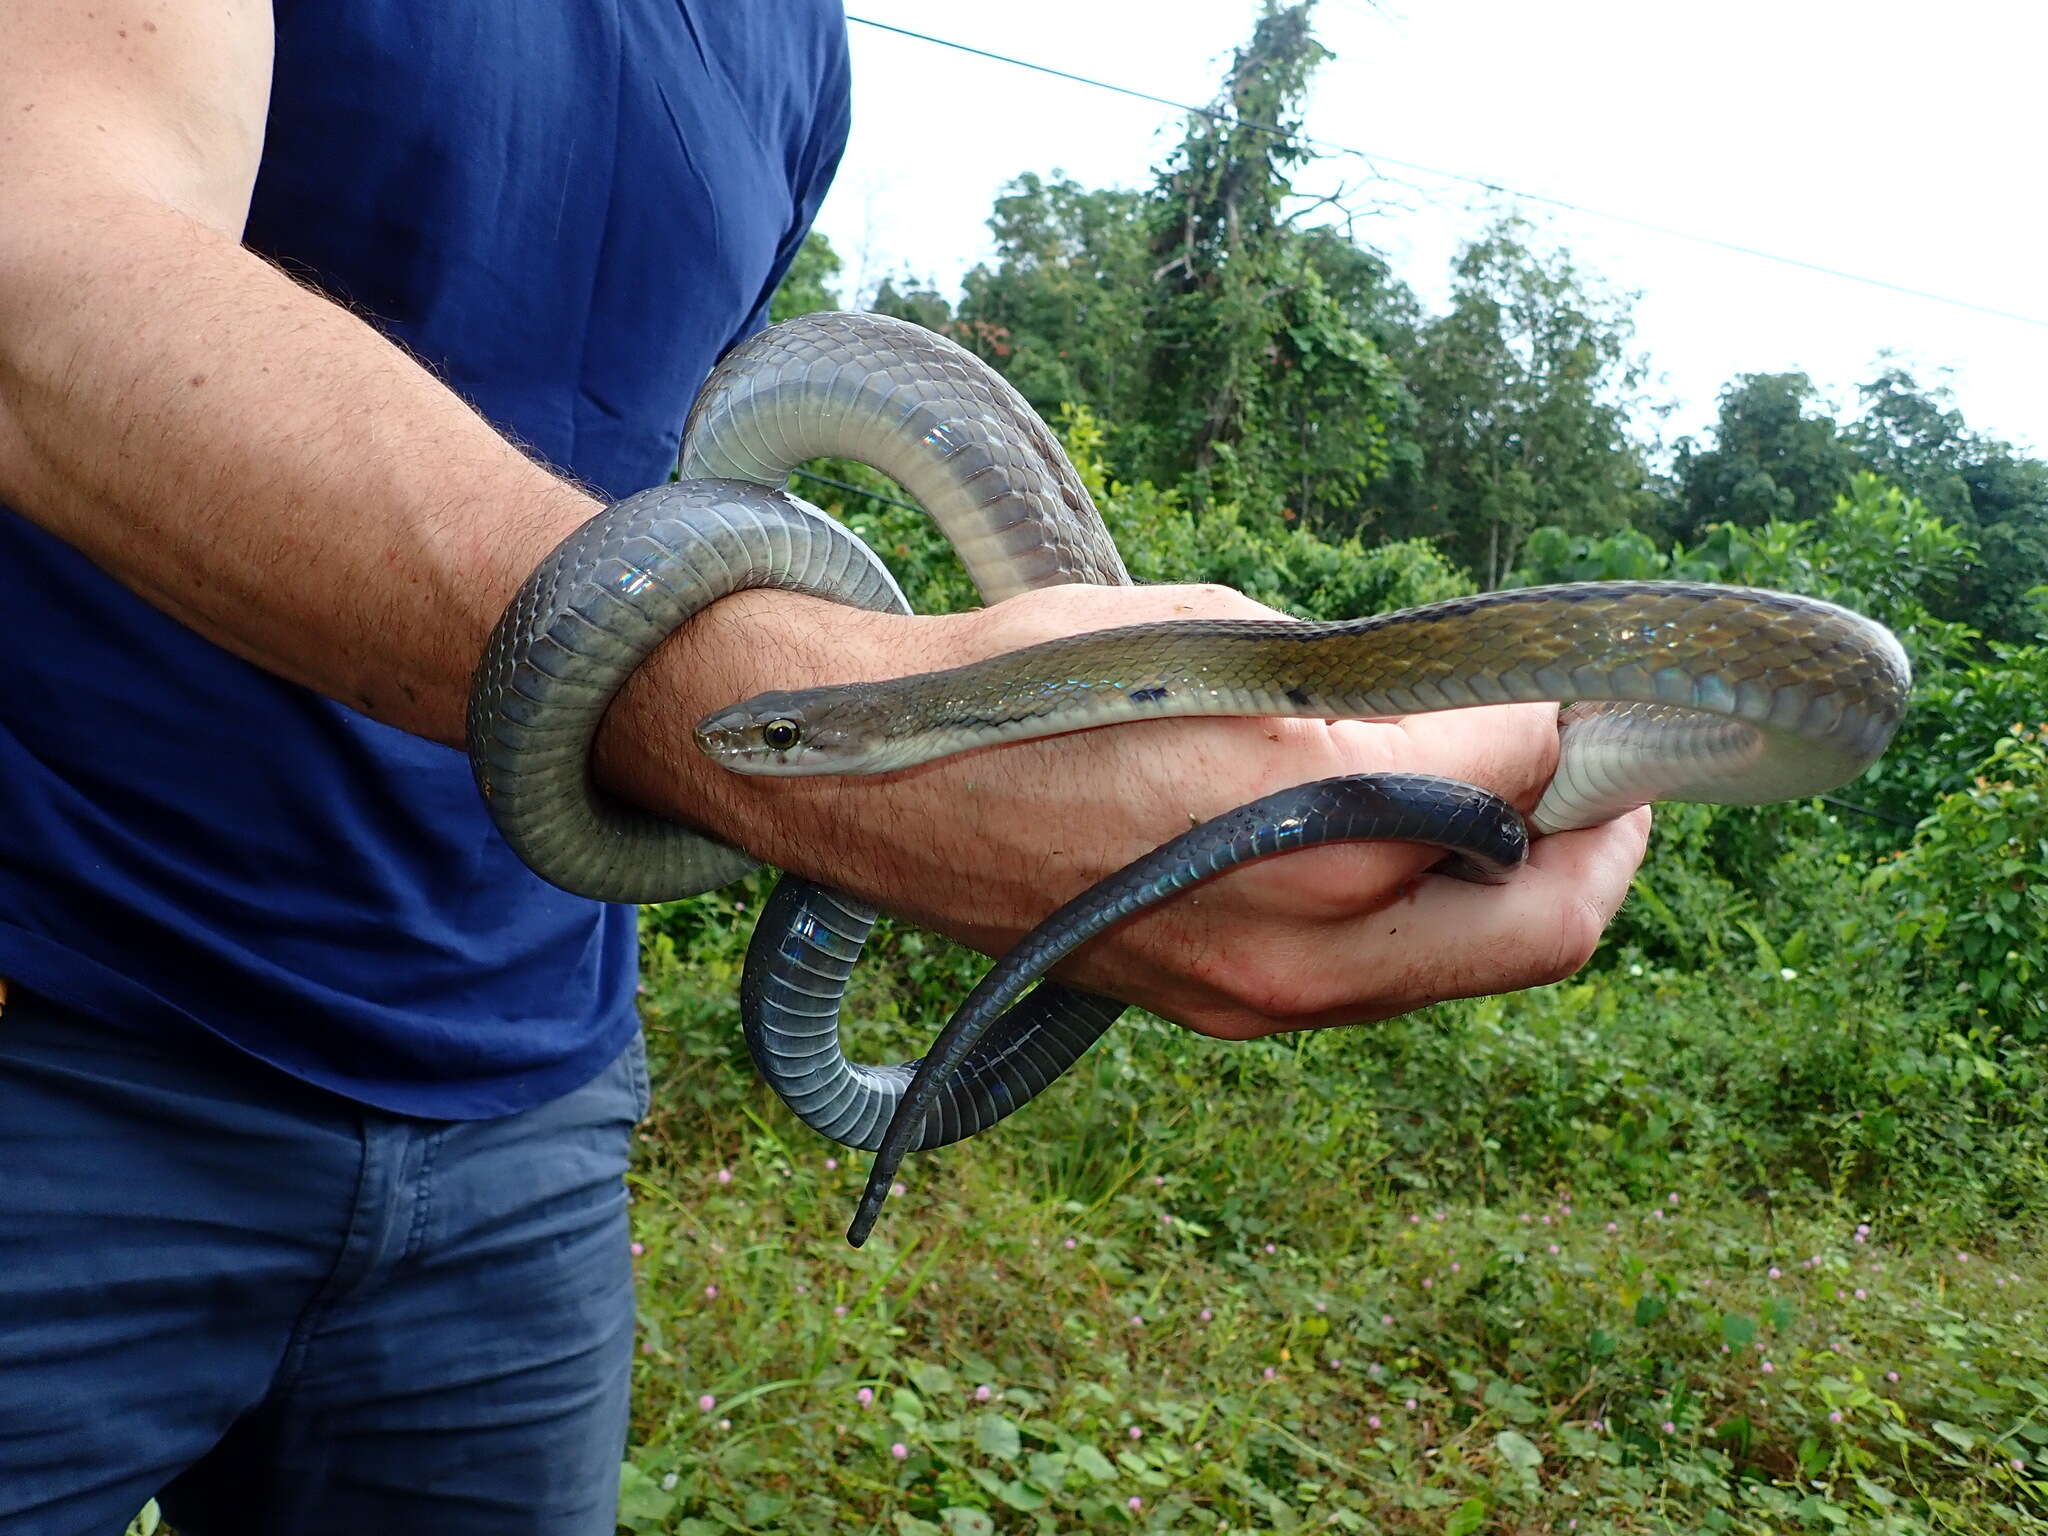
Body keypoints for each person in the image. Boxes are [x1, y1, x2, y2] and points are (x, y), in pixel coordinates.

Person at [0, 2, 1650, 1531]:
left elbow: (672, 453)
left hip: (529, 1098)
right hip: (65, 1036)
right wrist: (771, 720)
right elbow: (40, 266)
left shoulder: (788, 36)